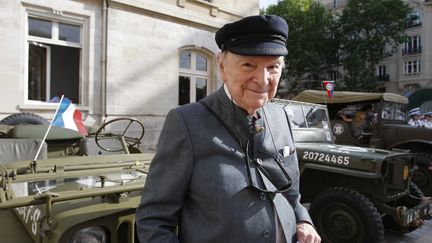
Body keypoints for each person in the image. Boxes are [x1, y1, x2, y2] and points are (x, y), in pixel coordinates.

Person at [135, 15, 321, 243]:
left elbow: (292, 196)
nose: (263, 80)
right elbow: (153, 220)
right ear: (222, 66)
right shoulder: (186, 123)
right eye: (248, 65)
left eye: (273, 67)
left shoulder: (280, 116)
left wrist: (303, 221)